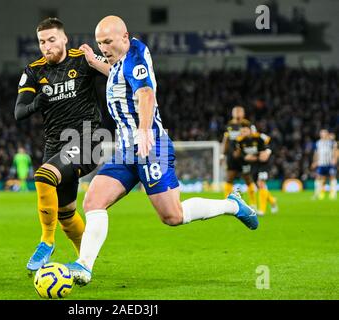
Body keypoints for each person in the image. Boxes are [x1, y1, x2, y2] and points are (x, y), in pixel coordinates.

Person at [66, 15, 258, 286]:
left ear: (124, 36)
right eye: (99, 43)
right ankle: (83, 266)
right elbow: (119, 76)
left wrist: (143, 130)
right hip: (126, 149)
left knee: (172, 216)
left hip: (150, 145)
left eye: (107, 42)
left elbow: (145, 94)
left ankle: (232, 205)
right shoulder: (120, 61)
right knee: (93, 201)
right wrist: (95, 62)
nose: (103, 48)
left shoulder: (135, 57)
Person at [14, 17, 110, 273]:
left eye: (52, 40)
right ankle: (84, 263)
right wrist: (37, 103)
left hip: (88, 139)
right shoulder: (34, 70)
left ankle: (46, 241)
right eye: (42, 42)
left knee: (44, 176)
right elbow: (19, 112)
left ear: (65, 39)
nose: (47, 46)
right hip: (56, 145)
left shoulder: (82, 59)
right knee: (66, 213)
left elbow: (114, 77)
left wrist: (97, 62)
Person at [233, 122, 277, 215]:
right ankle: (272, 201)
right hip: (254, 164)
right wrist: (245, 157)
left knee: (261, 183)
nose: (243, 133)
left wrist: (267, 152)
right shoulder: (240, 141)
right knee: (258, 185)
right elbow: (241, 154)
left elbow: (272, 143)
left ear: (250, 130)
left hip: (264, 163)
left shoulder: (259, 137)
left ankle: (262, 210)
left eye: (245, 131)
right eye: (242, 131)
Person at [221, 106, 257, 207]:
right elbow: (225, 141)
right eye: (235, 112)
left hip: (244, 157)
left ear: (243, 113)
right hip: (231, 157)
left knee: (248, 178)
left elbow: (254, 139)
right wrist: (222, 155)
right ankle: (226, 203)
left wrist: (251, 153)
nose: (237, 114)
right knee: (229, 178)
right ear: (232, 113)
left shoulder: (248, 124)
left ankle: (253, 203)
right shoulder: (229, 125)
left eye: (239, 112)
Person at [311, 129, 337, 200]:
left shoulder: (332, 142)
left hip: (330, 163)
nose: (323, 135)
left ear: (327, 134)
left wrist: (335, 159)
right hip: (321, 163)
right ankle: (317, 193)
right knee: (319, 178)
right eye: (321, 133)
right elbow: (316, 153)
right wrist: (314, 161)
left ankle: (333, 194)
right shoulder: (318, 143)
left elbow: (335, 151)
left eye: (324, 133)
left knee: (332, 177)